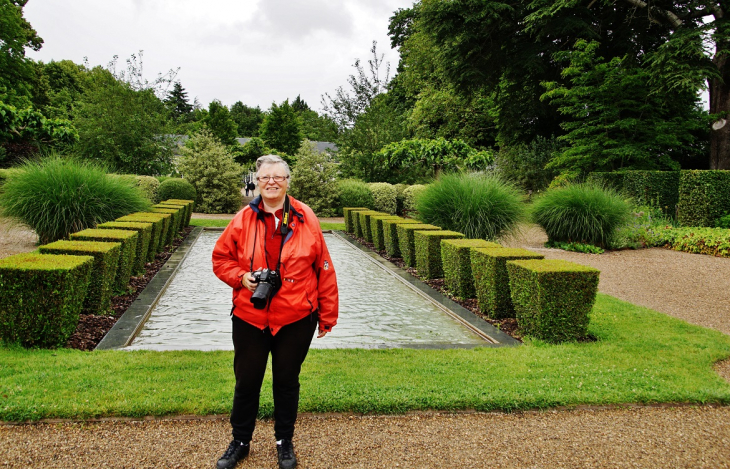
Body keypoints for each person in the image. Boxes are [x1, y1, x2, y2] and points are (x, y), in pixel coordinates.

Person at [212, 154, 338, 469]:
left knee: (286, 380)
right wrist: (241, 278)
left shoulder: (305, 216)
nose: (271, 182)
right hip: (250, 316)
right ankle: (240, 442)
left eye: (278, 177)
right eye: (265, 177)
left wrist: (328, 314)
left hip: (296, 316)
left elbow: (323, 267)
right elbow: (220, 258)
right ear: (257, 181)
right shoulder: (243, 218)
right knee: (247, 381)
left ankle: (284, 442)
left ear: (286, 182)